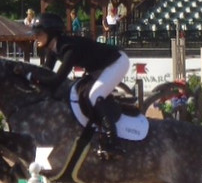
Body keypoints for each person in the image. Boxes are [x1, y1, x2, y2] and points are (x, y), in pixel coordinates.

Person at [29, 12, 129, 156]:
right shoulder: (53, 48)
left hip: (116, 62)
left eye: (38, 33)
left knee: (95, 95)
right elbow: (46, 72)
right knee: (78, 92)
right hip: (98, 68)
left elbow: (57, 80)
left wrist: (31, 77)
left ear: (50, 33)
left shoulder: (69, 48)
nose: (35, 37)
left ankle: (113, 141)